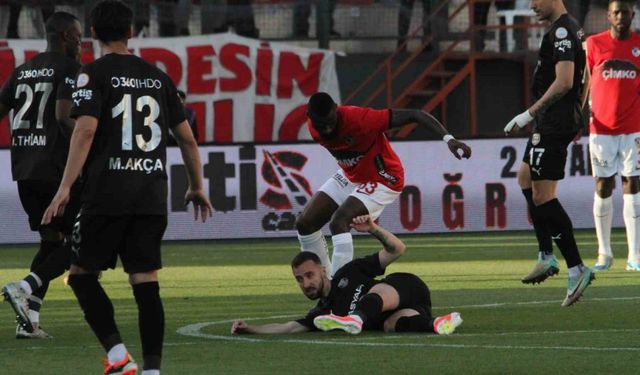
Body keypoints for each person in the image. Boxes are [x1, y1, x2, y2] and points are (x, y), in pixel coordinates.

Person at [41, 1, 213, 374]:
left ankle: (119, 356)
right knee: (145, 281)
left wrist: (65, 186)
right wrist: (197, 186)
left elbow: (84, 130)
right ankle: (152, 368)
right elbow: (187, 140)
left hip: (107, 193)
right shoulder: (159, 78)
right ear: (131, 32)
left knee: (81, 274)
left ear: (93, 34)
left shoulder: (92, 74)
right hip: (151, 195)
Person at [296, 92, 471, 278]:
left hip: (384, 177)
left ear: (337, 109)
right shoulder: (313, 127)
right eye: (322, 125)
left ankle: (339, 290)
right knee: (305, 223)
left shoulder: (361, 119)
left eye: (332, 122)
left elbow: (416, 114)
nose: (328, 129)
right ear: (309, 117)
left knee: (340, 221)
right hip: (352, 174)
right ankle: (324, 279)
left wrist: (449, 139)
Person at [231, 215, 463, 336]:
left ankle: (357, 319)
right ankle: (437, 323)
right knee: (390, 325)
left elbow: (397, 249)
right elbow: (288, 327)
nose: (306, 283)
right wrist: (250, 328)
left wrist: (373, 229)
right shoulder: (323, 313)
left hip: (405, 287)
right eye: (299, 279)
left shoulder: (349, 272)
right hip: (408, 310)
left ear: (323, 270)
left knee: (376, 292)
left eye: (309, 275)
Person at [503, 0, 594, 307]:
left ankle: (577, 267)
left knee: (544, 196)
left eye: (535, 0)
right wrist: (579, 115)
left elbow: (566, 81)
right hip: (556, 121)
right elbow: (587, 78)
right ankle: (546, 254)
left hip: (553, 123)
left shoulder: (562, 33)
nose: (531, 6)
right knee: (524, 177)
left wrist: (529, 113)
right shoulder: (572, 28)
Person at [0, 11, 83, 339]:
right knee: (84, 239)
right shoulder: (71, 69)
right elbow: (64, 117)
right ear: (67, 37)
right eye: (78, 35)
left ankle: (29, 322)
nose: (81, 41)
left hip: (24, 171)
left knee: (51, 242)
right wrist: (93, 140)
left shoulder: (21, 72)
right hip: (57, 171)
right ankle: (23, 286)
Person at [585, 0, 640, 271]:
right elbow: (585, 83)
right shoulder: (595, 45)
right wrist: (577, 118)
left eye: (626, 12)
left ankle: (635, 256)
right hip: (601, 130)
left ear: (633, 15)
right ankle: (604, 255)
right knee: (603, 186)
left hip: (634, 129)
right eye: (616, 12)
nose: (621, 16)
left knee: (633, 184)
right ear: (608, 15)